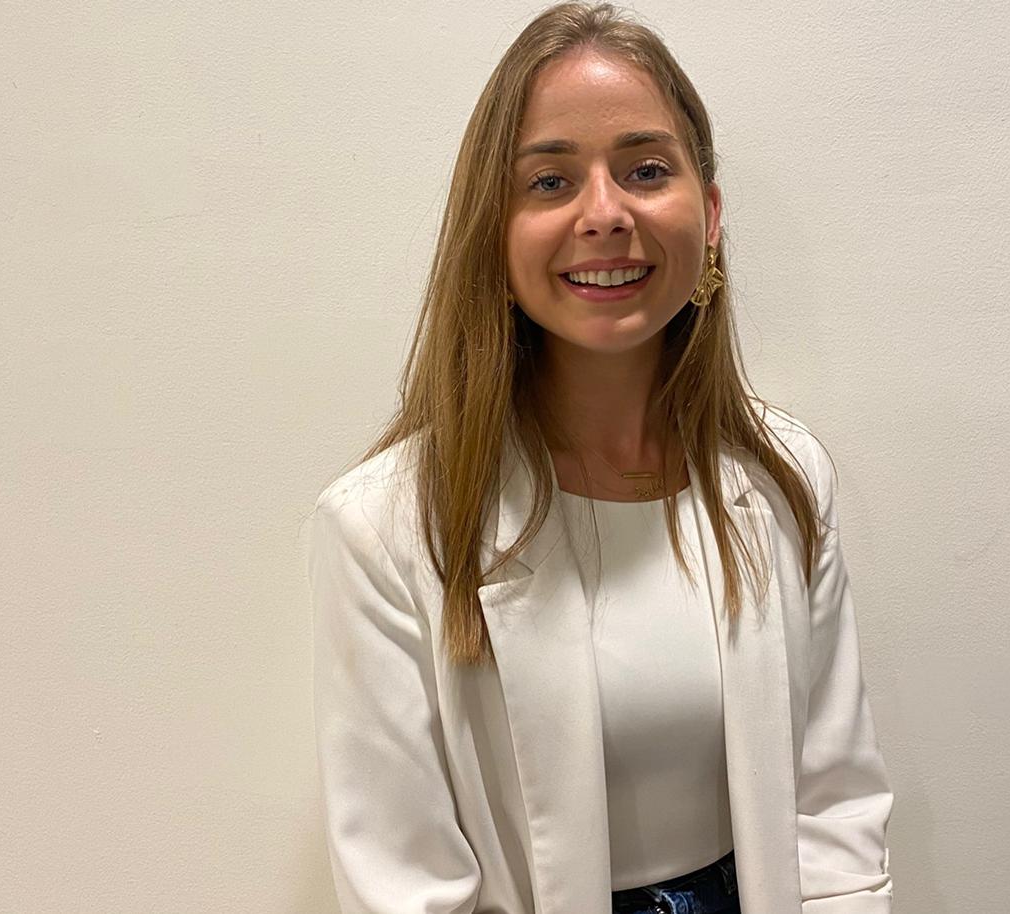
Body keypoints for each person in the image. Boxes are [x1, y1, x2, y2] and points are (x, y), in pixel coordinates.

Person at [306, 3, 894, 912]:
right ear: (493, 230)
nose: (605, 213)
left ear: (710, 213)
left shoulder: (786, 475)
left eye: (646, 170)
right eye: (549, 181)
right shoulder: (383, 529)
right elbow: (406, 885)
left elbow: (835, 812)